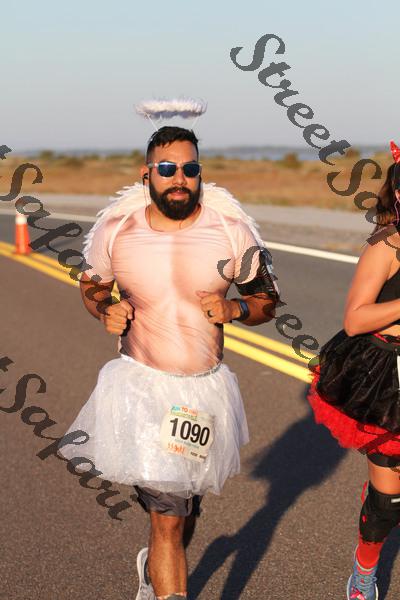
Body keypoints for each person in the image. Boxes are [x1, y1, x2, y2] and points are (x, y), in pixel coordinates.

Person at [59, 124, 279, 600]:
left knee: (184, 512)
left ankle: (154, 569)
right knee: (167, 518)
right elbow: (92, 284)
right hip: (141, 387)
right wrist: (104, 308)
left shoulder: (231, 231)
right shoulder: (118, 231)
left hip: (202, 394)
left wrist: (236, 308)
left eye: (190, 168)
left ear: (200, 174)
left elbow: (267, 300)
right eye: (167, 168)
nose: (179, 178)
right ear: (147, 175)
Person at [308, 140, 400, 600]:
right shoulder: (387, 246)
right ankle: (364, 571)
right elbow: (356, 319)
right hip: (388, 377)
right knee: (388, 503)